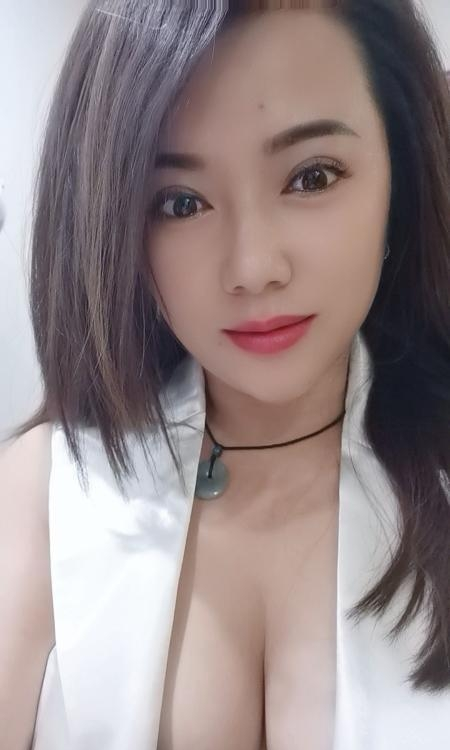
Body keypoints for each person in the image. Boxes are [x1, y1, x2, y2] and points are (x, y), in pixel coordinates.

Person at [1, 0, 449, 748]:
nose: (253, 266)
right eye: (181, 203)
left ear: (400, 175)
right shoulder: (43, 493)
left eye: (311, 176)